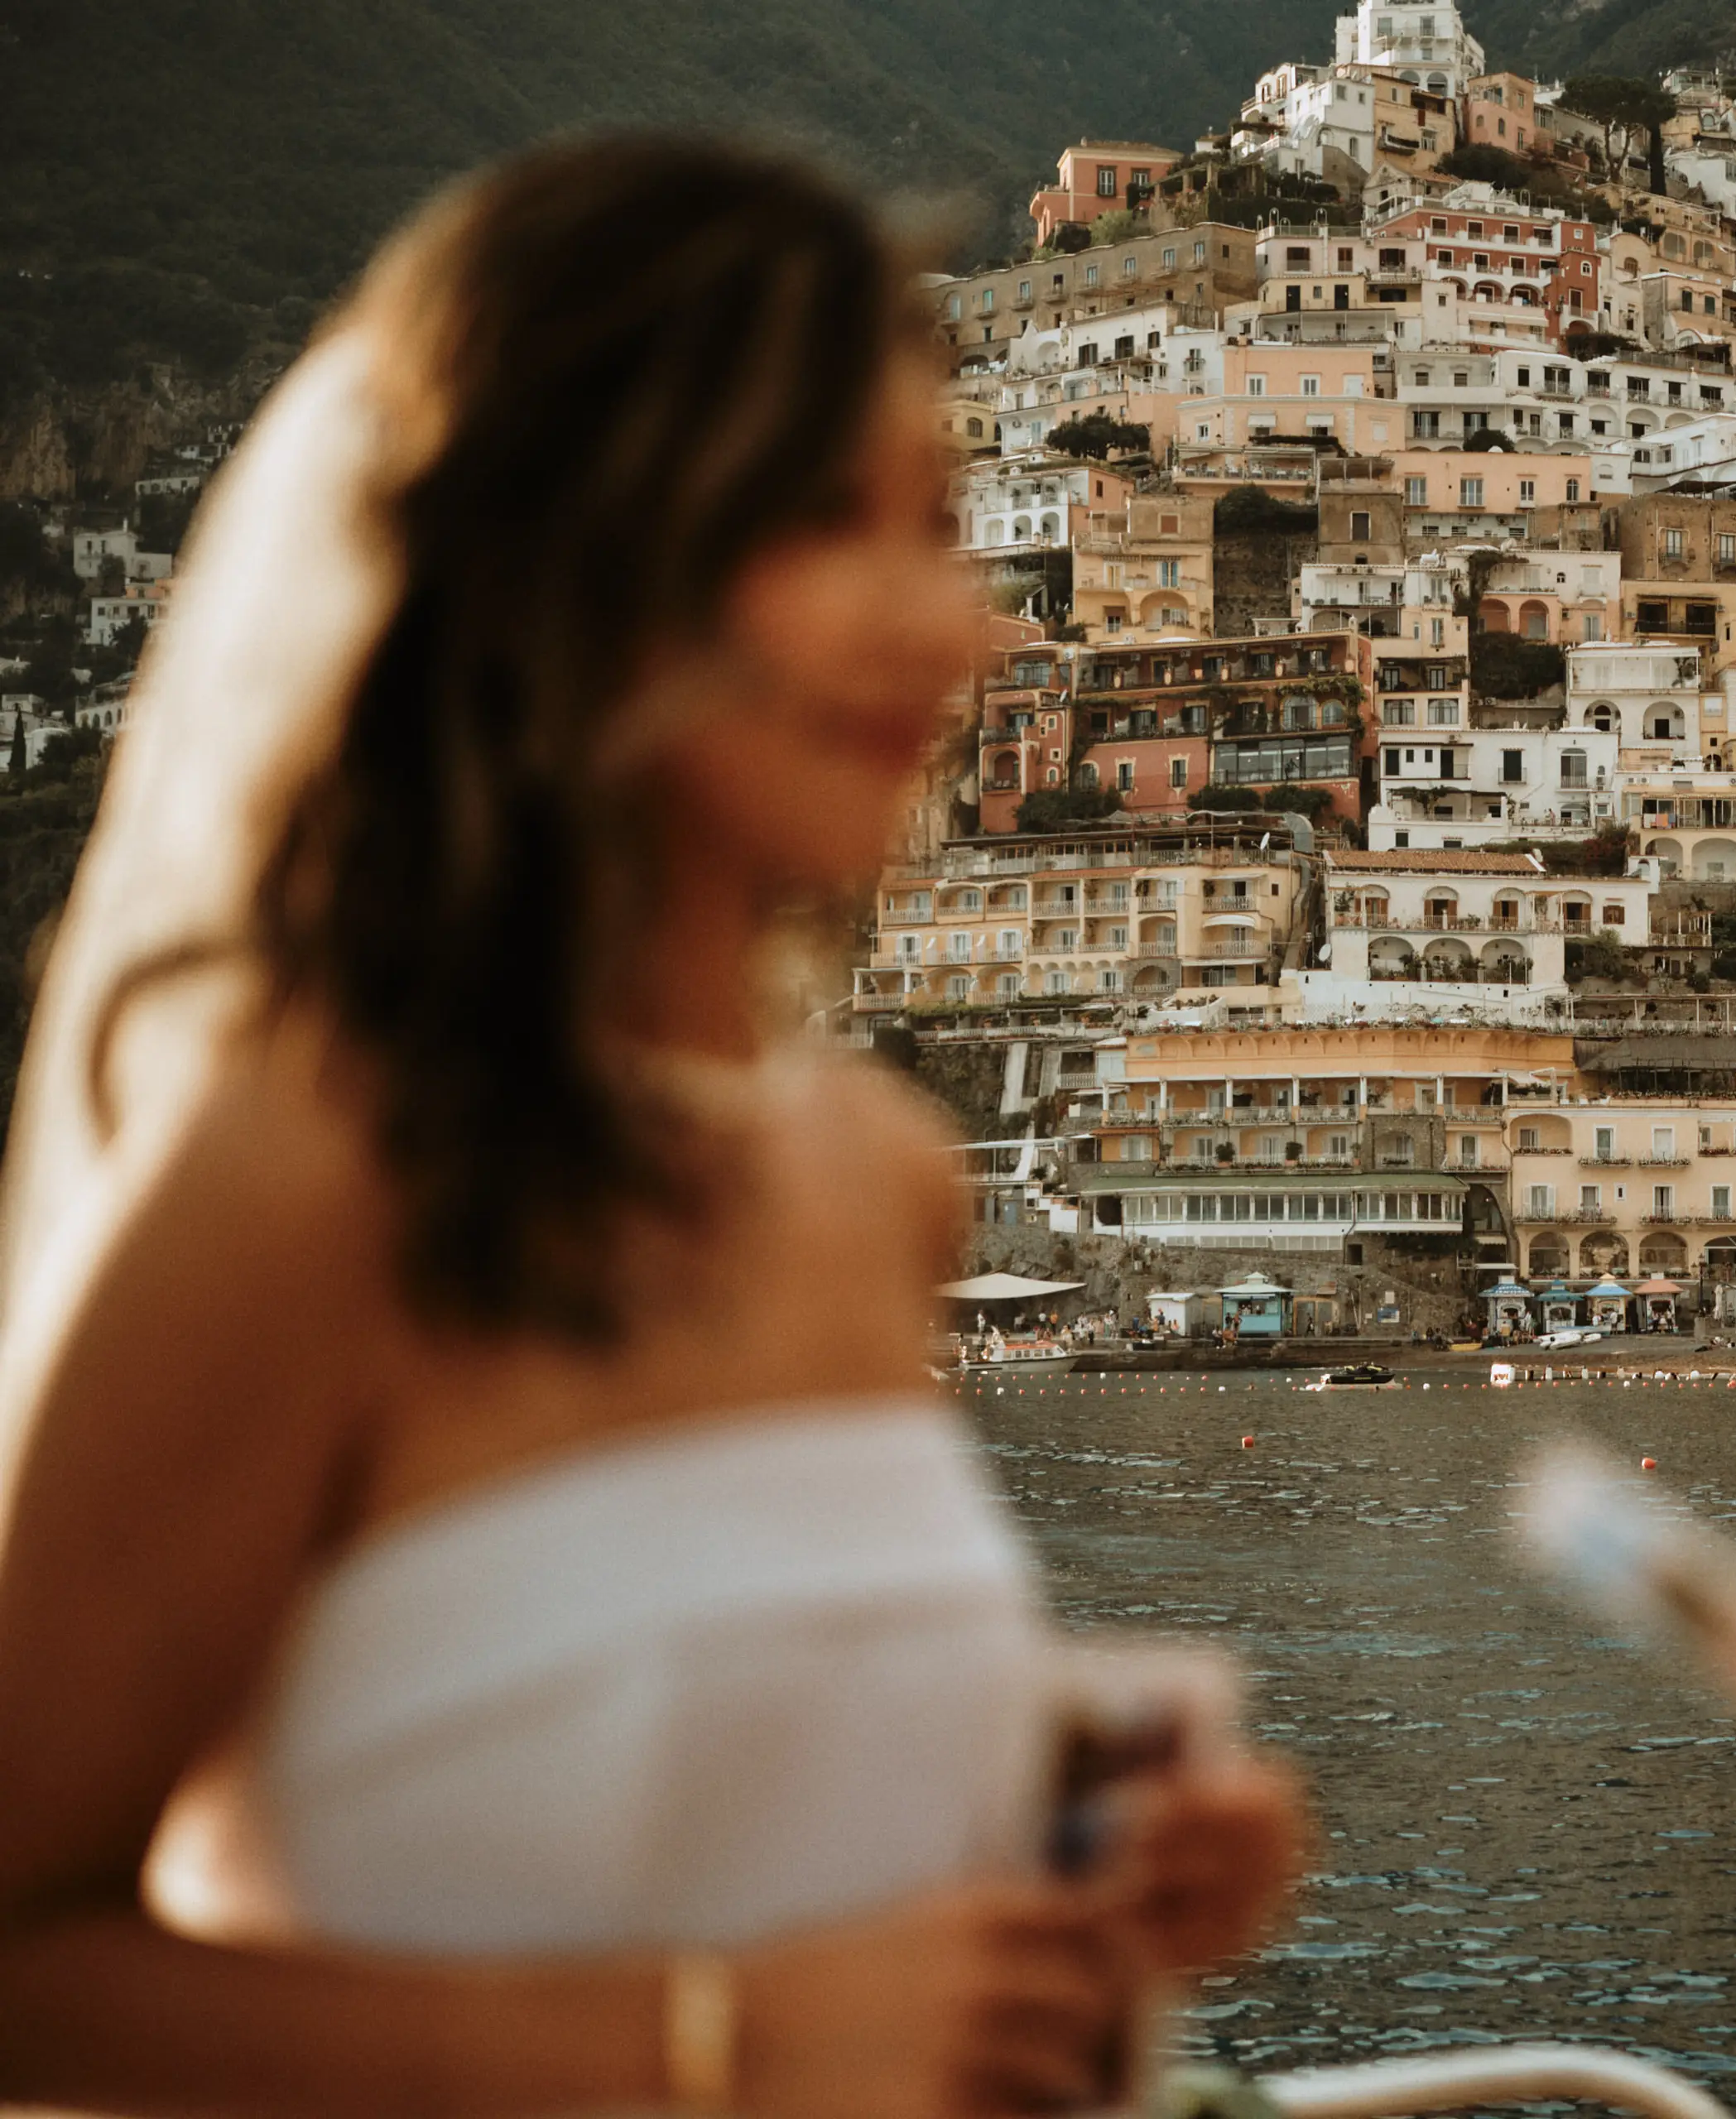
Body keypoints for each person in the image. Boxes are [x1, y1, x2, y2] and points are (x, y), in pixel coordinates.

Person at [0, 142, 1299, 2118]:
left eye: (938, 522)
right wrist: (720, 2047)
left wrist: (1065, 1813)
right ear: (567, 565)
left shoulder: (879, 1176)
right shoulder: (308, 1182)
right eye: (815, 516)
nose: (949, 625)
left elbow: (684, 1738)